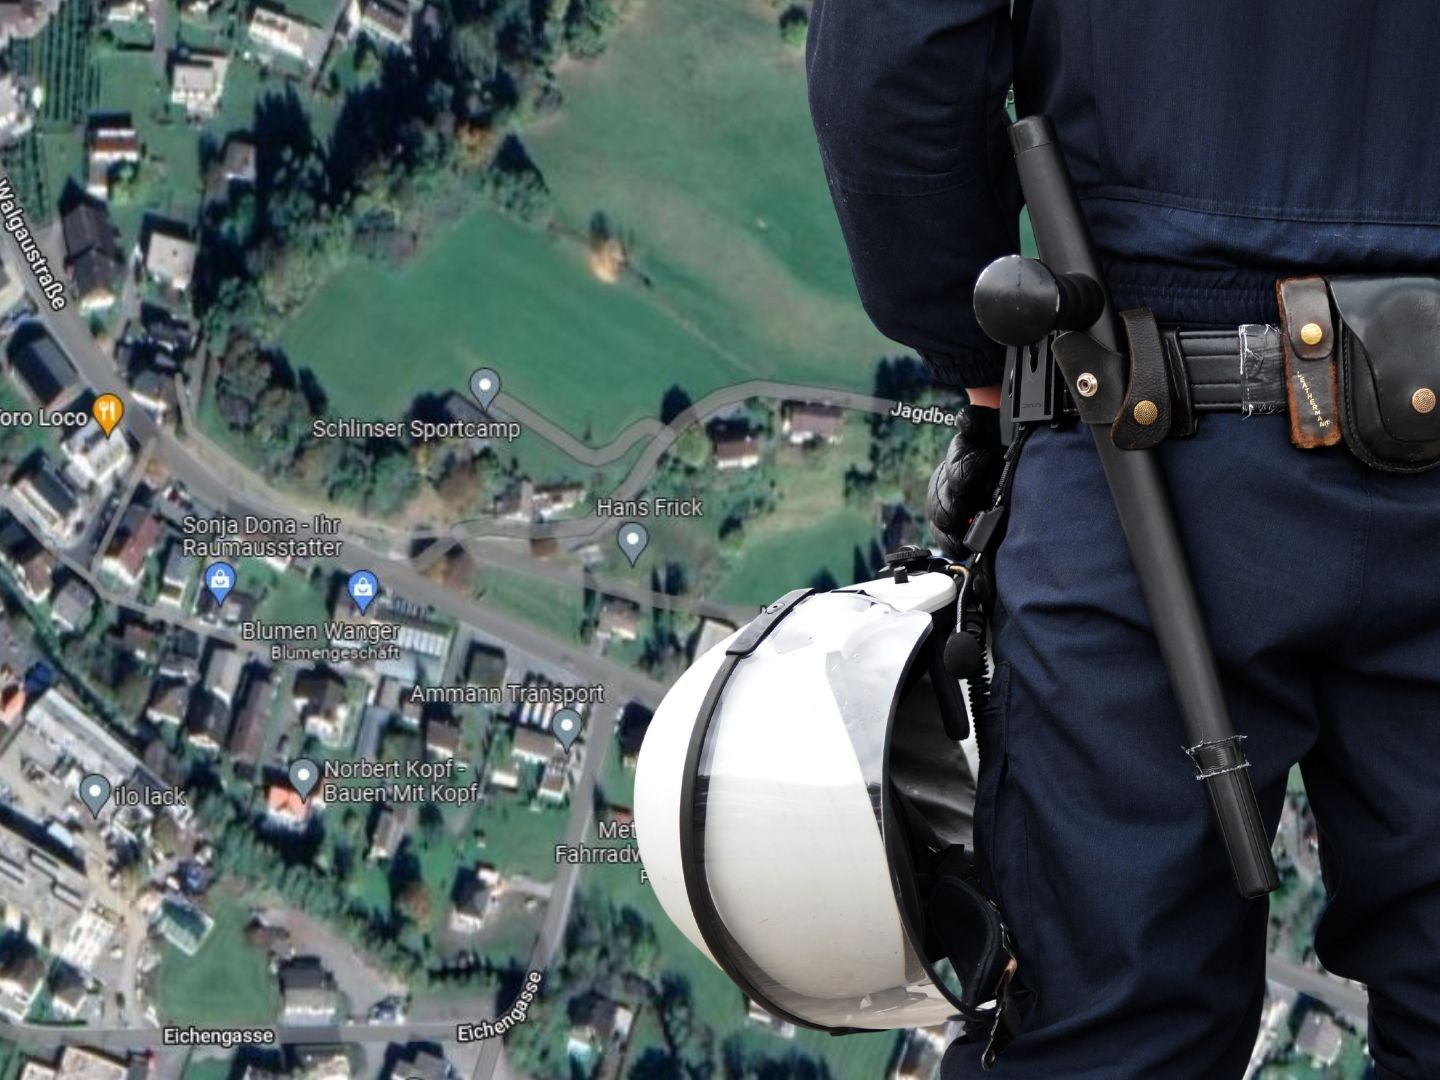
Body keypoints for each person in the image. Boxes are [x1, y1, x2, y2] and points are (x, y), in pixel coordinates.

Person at [805, 2, 1440, 1078]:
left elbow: (892, 57)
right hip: (1148, 427)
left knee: (1100, 1042)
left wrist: (974, 356)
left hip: (1143, 438)